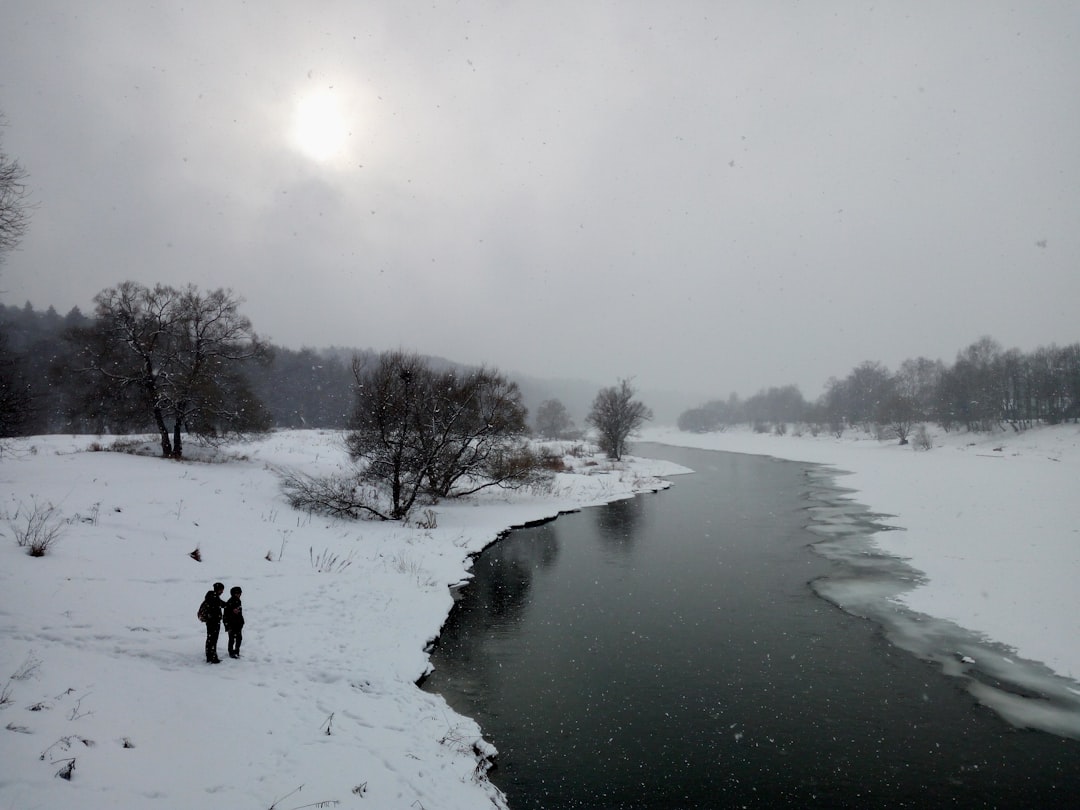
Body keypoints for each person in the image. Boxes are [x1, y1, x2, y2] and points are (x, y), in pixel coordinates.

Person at [200, 582, 227, 663]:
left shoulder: (212, 596)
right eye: (222, 590)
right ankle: (212, 657)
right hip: (213, 622)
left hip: (211, 621)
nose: (222, 592)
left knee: (210, 638)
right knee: (212, 639)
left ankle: (210, 656)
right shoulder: (214, 598)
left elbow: (223, 604)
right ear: (219, 589)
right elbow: (220, 605)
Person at [223, 586, 244, 659]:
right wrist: (227, 625)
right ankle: (232, 652)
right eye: (237, 593)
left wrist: (241, 622)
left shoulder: (238, 600)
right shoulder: (231, 601)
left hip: (237, 623)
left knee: (238, 638)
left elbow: (239, 613)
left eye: (239, 593)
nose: (239, 594)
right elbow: (226, 615)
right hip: (232, 624)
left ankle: (236, 651)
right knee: (232, 638)